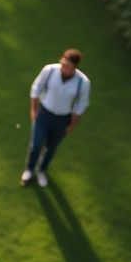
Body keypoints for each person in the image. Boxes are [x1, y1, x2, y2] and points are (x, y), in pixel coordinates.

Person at [21, 48, 91, 188]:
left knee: (51, 148)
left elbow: (80, 105)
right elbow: (36, 89)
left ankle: (41, 170)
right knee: (36, 144)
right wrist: (34, 110)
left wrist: (71, 125)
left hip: (62, 120)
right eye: (63, 63)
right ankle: (29, 170)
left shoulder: (82, 82)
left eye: (68, 66)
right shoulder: (50, 70)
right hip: (44, 114)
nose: (64, 68)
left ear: (75, 67)